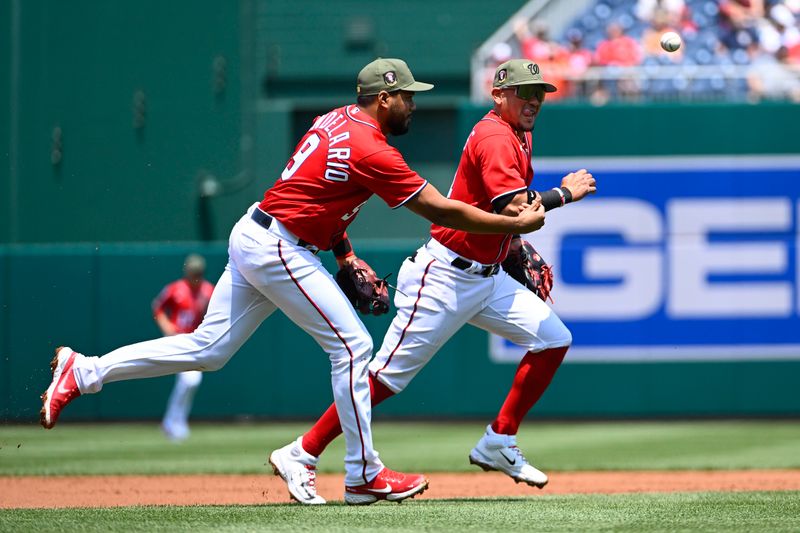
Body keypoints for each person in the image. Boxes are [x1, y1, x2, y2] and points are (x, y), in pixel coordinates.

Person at [40, 57, 547, 506]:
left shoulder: (334, 119)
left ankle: (85, 372)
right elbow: (439, 208)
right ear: (383, 97)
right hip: (280, 245)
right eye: (407, 97)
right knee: (352, 347)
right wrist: (513, 226)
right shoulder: (374, 148)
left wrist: (345, 257)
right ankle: (364, 473)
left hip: (260, 230)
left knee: (208, 349)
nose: (413, 105)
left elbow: (317, 194)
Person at [268, 59, 596, 504]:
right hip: (443, 277)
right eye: (524, 91)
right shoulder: (497, 135)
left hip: (487, 276)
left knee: (553, 338)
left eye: (539, 92)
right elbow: (517, 214)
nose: (534, 99)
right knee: (384, 377)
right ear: (499, 94)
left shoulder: (518, 131)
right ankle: (301, 451)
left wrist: (512, 248)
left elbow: (498, 212)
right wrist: (563, 194)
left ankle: (499, 439)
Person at [153, 254, 215, 442]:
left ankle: (172, 422)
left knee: (190, 381)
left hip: (196, 340)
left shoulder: (208, 290)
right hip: (177, 338)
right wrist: (166, 326)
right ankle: (174, 422)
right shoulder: (175, 288)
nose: (195, 276)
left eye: (198, 273)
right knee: (190, 380)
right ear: (187, 272)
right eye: (192, 272)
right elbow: (157, 306)